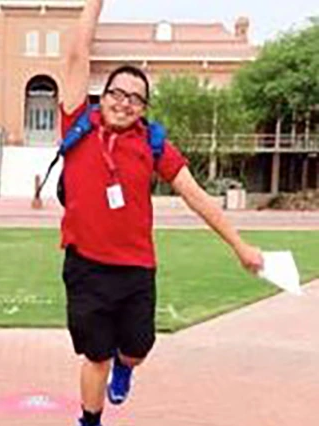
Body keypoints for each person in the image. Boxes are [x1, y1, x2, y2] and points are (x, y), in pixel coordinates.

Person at [60, 2, 264, 426]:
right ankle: (89, 421)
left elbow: (195, 195)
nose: (125, 103)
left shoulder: (151, 143)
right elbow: (78, 51)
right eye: (117, 93)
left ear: (143, 107)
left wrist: (240, 245)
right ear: (103, 95)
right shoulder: (78, 123)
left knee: (135, 348)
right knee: (94, 355)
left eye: (136, 99)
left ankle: (127, 367)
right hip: (86, 267)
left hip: (136, 269)